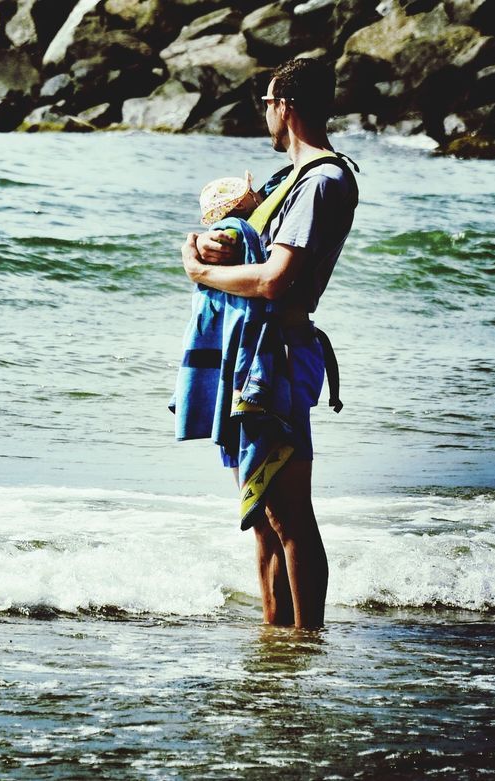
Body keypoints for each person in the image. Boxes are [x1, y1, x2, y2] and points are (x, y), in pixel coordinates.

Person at [179, 58, 358, 629]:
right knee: (262, 515)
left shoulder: (322, 181)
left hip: (274, 358)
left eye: (267, 105)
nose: (266, 118)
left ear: (286, 106)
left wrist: (201, 275)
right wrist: (213, 248)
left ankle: (307, 643)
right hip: (256, 355)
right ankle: (275, 636)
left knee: (288, 517)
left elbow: (274, 278)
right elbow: (250, 248)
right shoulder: (290, 182)